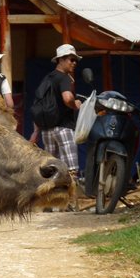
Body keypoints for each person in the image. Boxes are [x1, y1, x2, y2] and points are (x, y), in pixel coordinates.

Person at [29, 44, 83, 210]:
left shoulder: (47, 79)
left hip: (47, 131)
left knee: (51, 170)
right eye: (71, 59)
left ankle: (49, 203)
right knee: (70, 169)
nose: (74, 63)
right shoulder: (64, 78)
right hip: (64, 128)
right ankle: (71, 203)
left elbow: (39, 105)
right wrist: (76, 105)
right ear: (61, 60)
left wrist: (35, 132)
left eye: (75, 60)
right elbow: (67, 99)